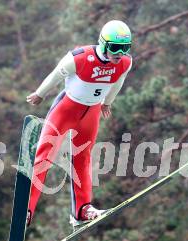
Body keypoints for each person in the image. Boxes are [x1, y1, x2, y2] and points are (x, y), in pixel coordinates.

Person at [25, 20, 133, 227]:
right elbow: (56, 74)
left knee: (83, 158)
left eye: (125, 48)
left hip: (91, 112)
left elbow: (119, 81)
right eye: (115, 48)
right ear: (103, 44)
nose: (119, 53)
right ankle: (27, 209)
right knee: (45, 154)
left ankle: (82, 210)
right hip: (67, 109)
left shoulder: (125, 62)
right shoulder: (80, 57)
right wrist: (40, 93)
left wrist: (107, 102)